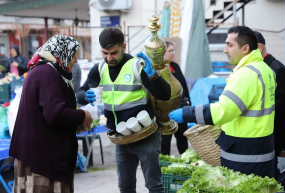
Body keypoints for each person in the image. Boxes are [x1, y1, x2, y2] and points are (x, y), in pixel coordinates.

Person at [169, 26, 277, 178]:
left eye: (230, 45)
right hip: (260, 147)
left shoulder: (246, 74)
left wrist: (187, 113)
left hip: (244, 154)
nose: (225, 50)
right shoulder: (264, 69)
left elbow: (223, 111)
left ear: (245, 48)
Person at [76, 28, 170, 192]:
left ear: (124, 46)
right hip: (120, 138)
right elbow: (80, 93)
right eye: (105, 53)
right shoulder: (100, 68)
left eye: (114, 53)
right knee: (125, 187)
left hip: (145, 135)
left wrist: (152, 74)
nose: (109, 58)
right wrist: (85, 95)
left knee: (154, 186)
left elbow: (165, 94)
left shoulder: (136, 66)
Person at [9, 35, 93, 193]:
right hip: (41, 159)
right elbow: (55, 113)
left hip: (36, 154)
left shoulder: (44, 70)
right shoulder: (49, 74)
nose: (75, 60)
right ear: (62, 53)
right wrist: (83, 115)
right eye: (73, 54)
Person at [254, 31, 285, 178]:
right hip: (267, 132)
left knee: (271, 174)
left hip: (277, 134)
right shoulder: (261, 67)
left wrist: (261, 117)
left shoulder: (277, 69)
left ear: (259, 48)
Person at [161, 41, 190, 155]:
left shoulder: (175, 66)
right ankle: (164, 168)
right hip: (166, 112)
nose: (173, 53)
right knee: (165, 142)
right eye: (170, 51)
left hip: (180, 109)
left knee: (183, 139)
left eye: (174, 50)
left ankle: (186, 162)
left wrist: (189, 107)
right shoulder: (159, 70)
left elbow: (184, 87)